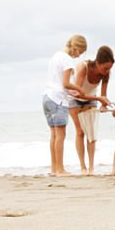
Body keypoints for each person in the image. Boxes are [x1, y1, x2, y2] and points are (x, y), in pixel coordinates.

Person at [43, 35, 87, 176]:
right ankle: (60, 169)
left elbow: (59, 82)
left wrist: (71, 90)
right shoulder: (67, 60)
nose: (78, 56)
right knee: (61, 135)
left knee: (54, 135)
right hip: (58, 99)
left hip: (47, 97)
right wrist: (80, 89)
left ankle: (54, 169)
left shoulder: (56, 56)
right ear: (76, 48)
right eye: (80, 52)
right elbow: (65, 83)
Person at [69, 45, 115, 175]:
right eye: (105, 68)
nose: (107, 71)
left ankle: (91, 168)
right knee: (80, 132)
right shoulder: (84, 67)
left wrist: (104, 105)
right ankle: (83, 167)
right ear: (98, 63)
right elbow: (78, 92)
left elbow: (103, 95)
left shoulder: (106, 75)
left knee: (91, 134)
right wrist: (100, 99)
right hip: (74, 98)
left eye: (109, 69)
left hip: (91, 99)